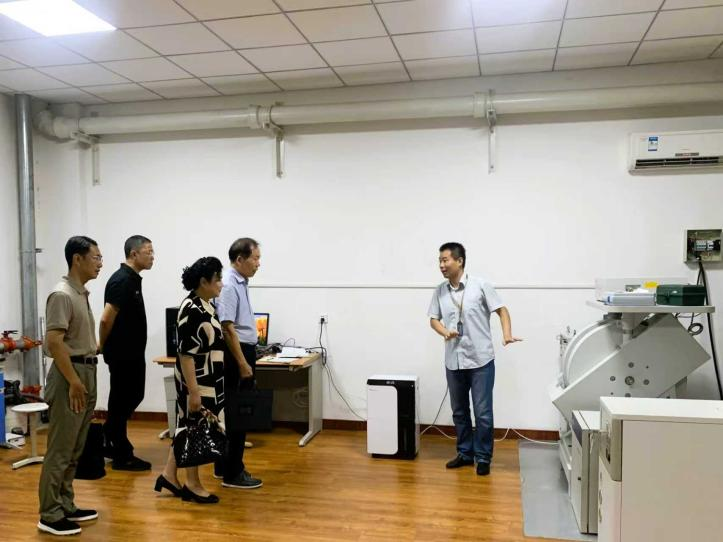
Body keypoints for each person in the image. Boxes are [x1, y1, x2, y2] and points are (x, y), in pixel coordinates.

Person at [428, 242, 521, 476]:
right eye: (439, 261)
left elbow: (502, 310)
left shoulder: (480, 286)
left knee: (482, 413)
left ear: (459, 261)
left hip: (480, 361)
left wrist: (506, 333)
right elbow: (433, 319)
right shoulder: (440, 291)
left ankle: (483, 457)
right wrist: (444, 331)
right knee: (459, 412)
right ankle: (465, 453)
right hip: (454, 361)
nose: (441, 265)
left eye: (445, 260)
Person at [38, 236, 103, 535]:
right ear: (77, 259)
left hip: (85, 371)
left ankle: (65, 504)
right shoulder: (62, 294)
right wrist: (74, 381)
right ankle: (49, 514)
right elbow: (54, 342)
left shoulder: (80, 293)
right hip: (70, 375)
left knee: (75, 448)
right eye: (96, 257)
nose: (100, 263)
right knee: (61, 450)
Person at [154, 257, 226, 504]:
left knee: (188, 426)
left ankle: (169, 475)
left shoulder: (206, 305)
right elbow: (185, 354)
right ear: (204, 282)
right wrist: (194, 391)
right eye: (218, 279)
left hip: (208, 378)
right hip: (196, 380)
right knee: (195, 428)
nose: (221, 284)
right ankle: (192, 484)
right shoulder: (191, 309)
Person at [99, 235, 154, 471]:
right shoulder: (122, 280)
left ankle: (109, 438)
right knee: (123, 399)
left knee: (131, 397)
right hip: (122, 354)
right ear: (134, 254)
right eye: (148, 252)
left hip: (132, 353)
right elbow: (105, 319)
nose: (152, 256)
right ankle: (120, 452)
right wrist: (102, 345)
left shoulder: (132, 279)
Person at [214, 238, 263, 489]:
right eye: (255, 258)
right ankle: (233, 473)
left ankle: (224, 465)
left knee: (235, 412)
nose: (258, 263)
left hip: (242, 350)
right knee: (238, 414)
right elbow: (227, 327)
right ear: (240, 259)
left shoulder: (240, 282)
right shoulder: (230, 285)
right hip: (236, 353)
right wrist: (243, 363)